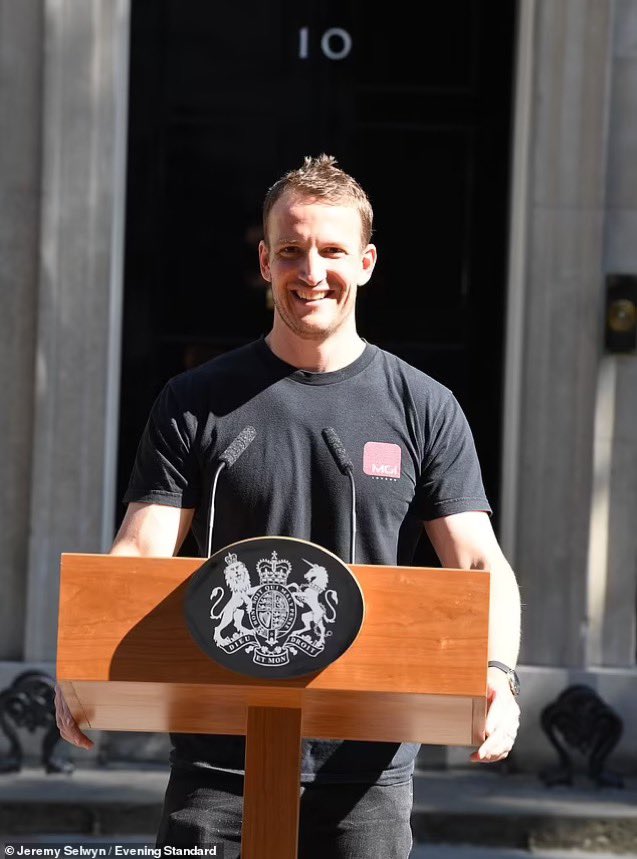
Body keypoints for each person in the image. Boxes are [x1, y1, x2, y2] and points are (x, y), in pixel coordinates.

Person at [56, 154, 521, 858]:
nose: (312, 272)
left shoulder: (424, 408)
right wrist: (83, 661)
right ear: (266, 260)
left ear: (364, 262)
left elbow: (480, 558)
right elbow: (140, 550)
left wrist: (499, 676)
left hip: (364, 772)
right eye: (294, 251)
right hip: (216, 768)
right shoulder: (195, 400)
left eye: (332, 250)